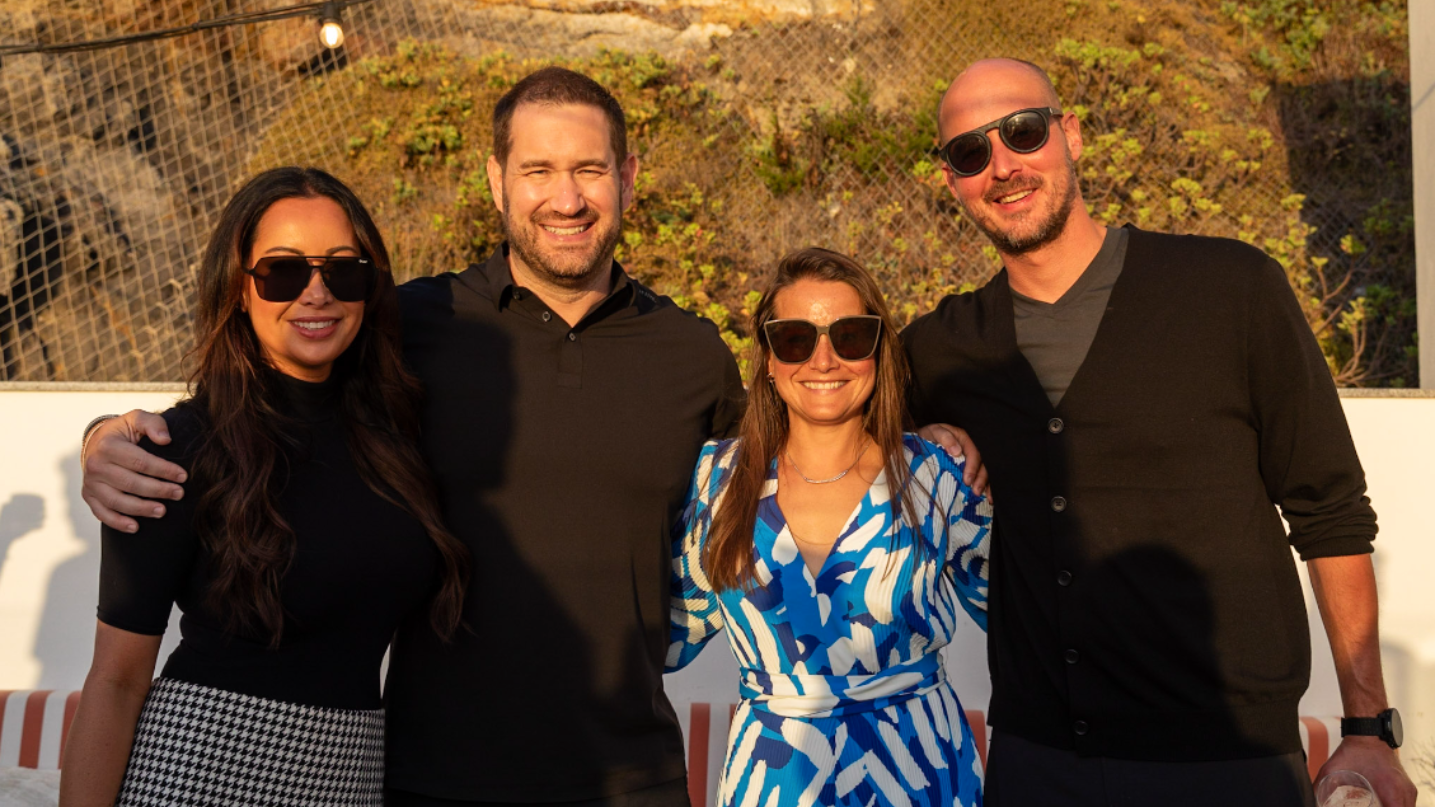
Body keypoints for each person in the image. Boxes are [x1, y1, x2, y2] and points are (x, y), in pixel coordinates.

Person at [78, 68, 765, 806]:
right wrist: (100, 439)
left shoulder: (694, 357)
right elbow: (264, 397)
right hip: (429, 781)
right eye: (537, 170)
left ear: (627, 176)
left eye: (589, 169)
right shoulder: (403, 327)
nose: (566, 199)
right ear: (496, 180)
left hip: (633, 780)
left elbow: (790, 489)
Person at [901, 58, 1419, 806]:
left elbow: (1328, 507)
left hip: (1228, 760)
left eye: (1021, 131)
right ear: (950, 179)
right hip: (1039, 764)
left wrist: (1367, 724)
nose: (1001, 166)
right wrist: (929, 434)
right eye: (969, 152)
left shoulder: (1230, 289)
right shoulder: (942, 348)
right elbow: (833, 434)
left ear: (1071, 135)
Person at [58, 167, 469, 806]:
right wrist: (99, 435)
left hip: (348, 778)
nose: (316, 293)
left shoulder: (397, 440)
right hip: (199, 774)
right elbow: (115, 682)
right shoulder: (174, 450)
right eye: (282, 271)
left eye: (343, 269)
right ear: (239, 289)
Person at [668, 248, 992, 807]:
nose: (824, 360)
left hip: (920, 777)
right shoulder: (718, 482)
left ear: (878, 353)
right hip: (773, 784)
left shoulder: (936, 475)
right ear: (768, 358)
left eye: (850, 336)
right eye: (795, 338)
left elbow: (1035, 621)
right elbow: (661, 635)